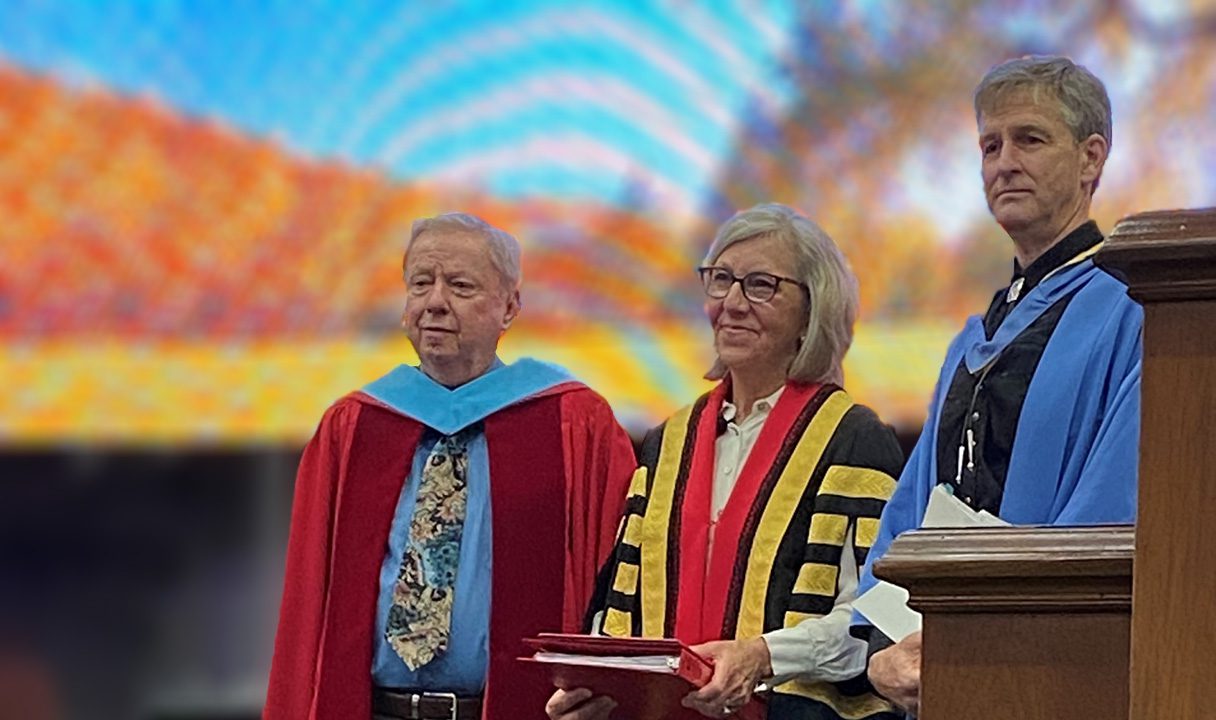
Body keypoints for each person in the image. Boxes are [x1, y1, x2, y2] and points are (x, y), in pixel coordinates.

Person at [856, 55, 1143, 715]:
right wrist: (888, 643)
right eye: (990, 144)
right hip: (942, 665)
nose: (1003, 162)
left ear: (1091, 158)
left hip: (1052, 672)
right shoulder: (973, 339)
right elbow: (912, 512)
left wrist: (992, 634)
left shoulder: (1134, 307)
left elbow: (1111, 506)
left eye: (1030, 139)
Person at [264, 212, 637, 720]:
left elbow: (619, 586)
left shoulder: (575, 424)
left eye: (460, 285)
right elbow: (307, 606)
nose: (435, 302)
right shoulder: (352, 427)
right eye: (421, 283)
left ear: (509, 308)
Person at [547, 203, 906, 720]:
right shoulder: (669, 441)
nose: (732, 303)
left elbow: (869, 622)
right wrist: (595, 688)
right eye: (720, 281)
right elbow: (620, 608)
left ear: (814, 310)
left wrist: (761, 657)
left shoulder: (853, 441)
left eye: (760, 285)